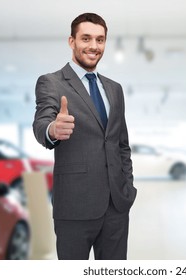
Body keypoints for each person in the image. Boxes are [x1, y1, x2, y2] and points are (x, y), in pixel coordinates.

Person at [32, 13, 137, 260]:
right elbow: (41, 123)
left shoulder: (114, 89)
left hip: (116, 207)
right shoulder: (52, 83)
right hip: (74, 207)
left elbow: (121, 143)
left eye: (100, 40)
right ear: (72, 41)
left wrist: (127, 188)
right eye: (86, 38)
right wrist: (53, 130)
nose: (93, 46)